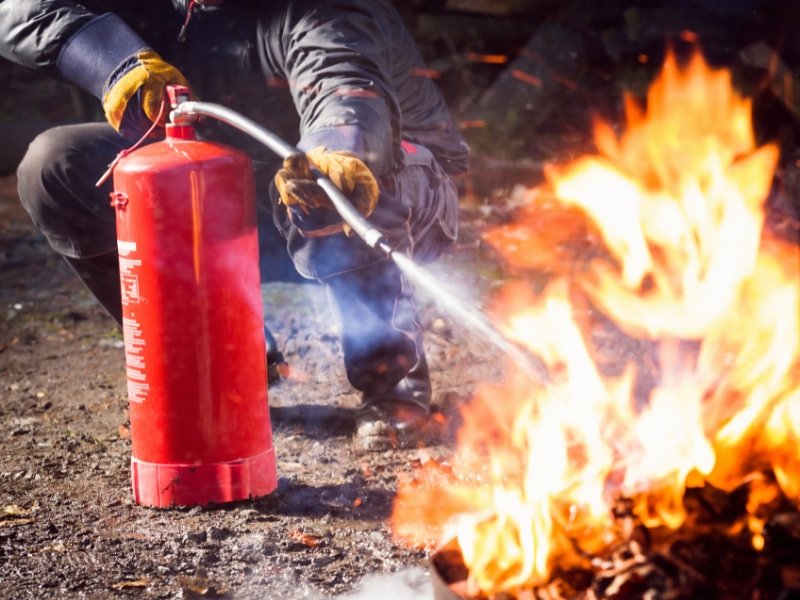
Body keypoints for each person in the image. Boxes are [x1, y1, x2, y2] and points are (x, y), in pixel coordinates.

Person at [0, 0, 470, 451]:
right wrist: (108, 59)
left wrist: (336, 143)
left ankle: (391, 386)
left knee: (327, 175)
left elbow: (343, 82)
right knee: (55, 164)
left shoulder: (324, 9)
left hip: (398, 189)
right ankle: (226, 367)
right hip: (233, 180)